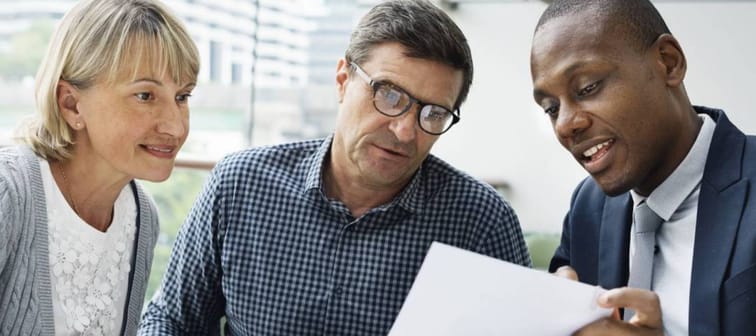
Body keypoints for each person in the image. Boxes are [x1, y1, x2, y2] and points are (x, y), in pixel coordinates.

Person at [138, 0, 530, 334]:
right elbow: (172, 319)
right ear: (343, 79)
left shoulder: (481, 222)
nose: (405, 130)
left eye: (433, 113)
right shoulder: (240, 185)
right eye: (389, 95)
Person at [530, 0, 755, 335]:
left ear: (668, 63)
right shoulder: (587, 207)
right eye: (550, 108)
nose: (565, 125)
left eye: (588, 87)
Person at [0, 0, 199, 334]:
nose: (175, 127)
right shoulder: (8, 193)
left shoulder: (142, 216)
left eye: (182, 97)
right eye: (145, 96)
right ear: (71, 104)